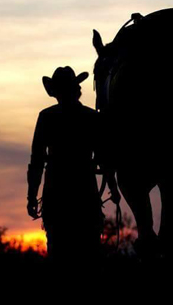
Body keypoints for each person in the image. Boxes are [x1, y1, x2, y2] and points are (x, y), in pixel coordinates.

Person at [26, 66, 120, 267]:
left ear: (56, 92)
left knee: (59, 258)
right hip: (85, 196)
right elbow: (104, 158)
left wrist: (32, 197)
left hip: (56, 197)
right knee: (89, 256)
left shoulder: (46, 117)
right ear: (76, 89)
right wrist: (113, 187)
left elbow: (36, 162)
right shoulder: (91, 117)